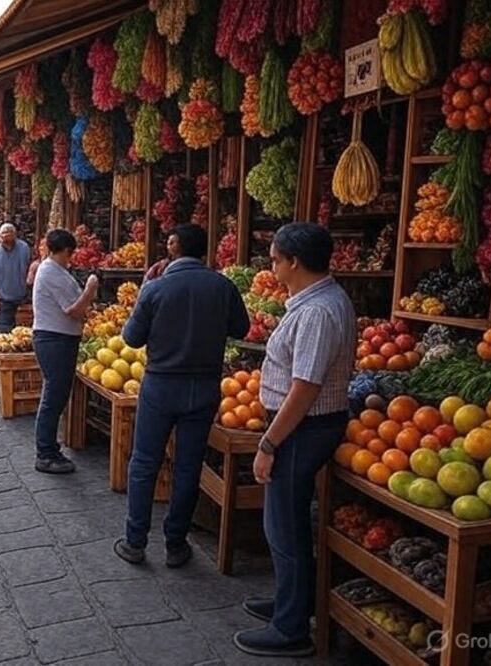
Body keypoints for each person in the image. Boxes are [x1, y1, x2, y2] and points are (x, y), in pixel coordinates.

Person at [232, 223, 356, 659]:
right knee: (282, 522)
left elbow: (305, 386)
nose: (272, 266)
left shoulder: (318, 311)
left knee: (285, 527)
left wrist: (268, 444)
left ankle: (291, 630)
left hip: (304, 427)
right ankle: (290, 602)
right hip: (302, 424)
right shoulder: (316, 301)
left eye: (274, 259)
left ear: (294, 262)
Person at [113, 225, 249, 567]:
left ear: (174, 249)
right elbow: (241, 329)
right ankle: (176, 543)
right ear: (204, 252)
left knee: (145, 461)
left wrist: (146, 290)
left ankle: (135, 541)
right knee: (188, 466)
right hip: (203, 387)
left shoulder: (156, 288)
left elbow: (131, 338)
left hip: (161, 385)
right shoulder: (222, 285)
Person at [31, 229, 100, 474]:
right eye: (71, 253)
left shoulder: (55, 270)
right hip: (55, 340)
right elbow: (72, 310)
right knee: (53, 397)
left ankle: (49, 449)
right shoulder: (51, 272)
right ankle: (46, 453)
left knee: (55, 395)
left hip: (58, 339)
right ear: (66, 251)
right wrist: (90, 289)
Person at [0, 223, 32, 333]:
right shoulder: (24, 247)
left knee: (6, 330)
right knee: (22, 331)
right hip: (21, 295)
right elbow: (28, 268)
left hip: (7, 297)